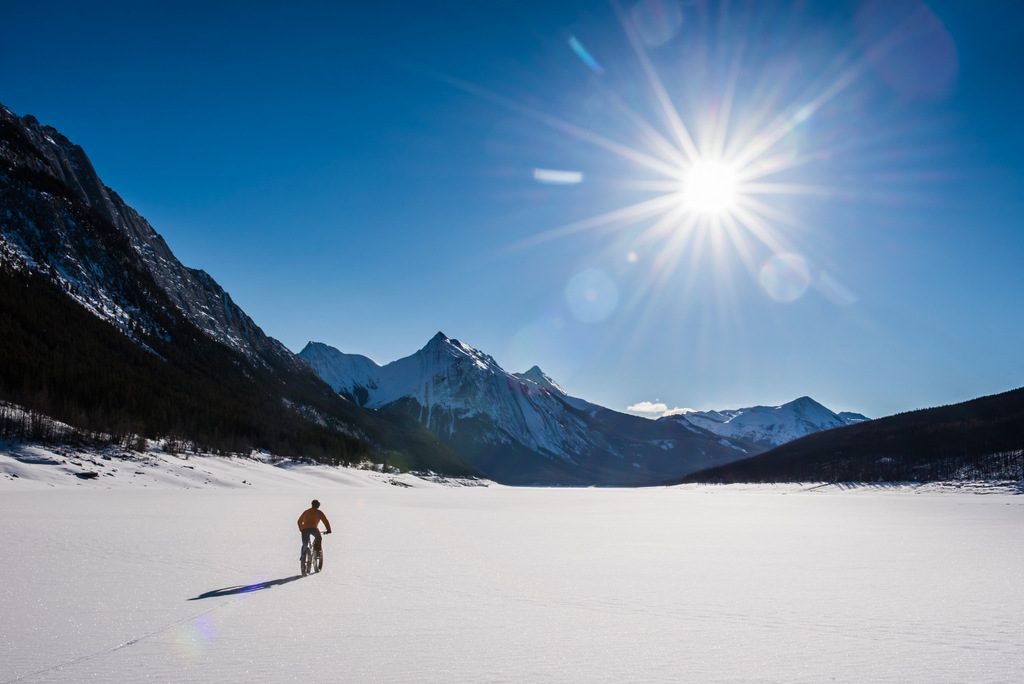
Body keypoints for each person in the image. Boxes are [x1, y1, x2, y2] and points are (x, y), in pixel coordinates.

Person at [297, 499, 331, 568]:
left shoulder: (306, 512)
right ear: (318, 505)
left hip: (304, 529)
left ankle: (303, 555)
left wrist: (301, 529)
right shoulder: (319, 512)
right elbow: (325, 521)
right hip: (313, 529)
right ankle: (318, 552)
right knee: (319, 538)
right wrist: (328, 530)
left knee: (305, 544)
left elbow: (299, 521)